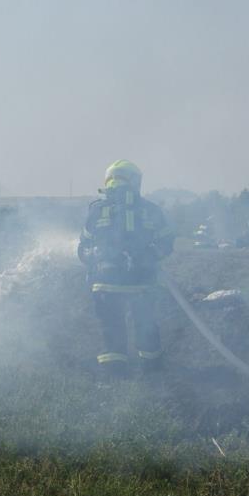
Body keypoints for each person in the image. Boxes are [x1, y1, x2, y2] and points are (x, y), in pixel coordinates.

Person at [77, 160, 176, 377]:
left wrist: (96, 261)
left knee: (111, 330)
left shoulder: (97, 211)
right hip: (142, 283)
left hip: (104, 284)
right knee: (146, 326)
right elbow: (168, 242)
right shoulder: (150, 210)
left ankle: (115, 377)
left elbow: (83, 248)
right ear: (135, 181)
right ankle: (154, 374)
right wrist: (149, 257)